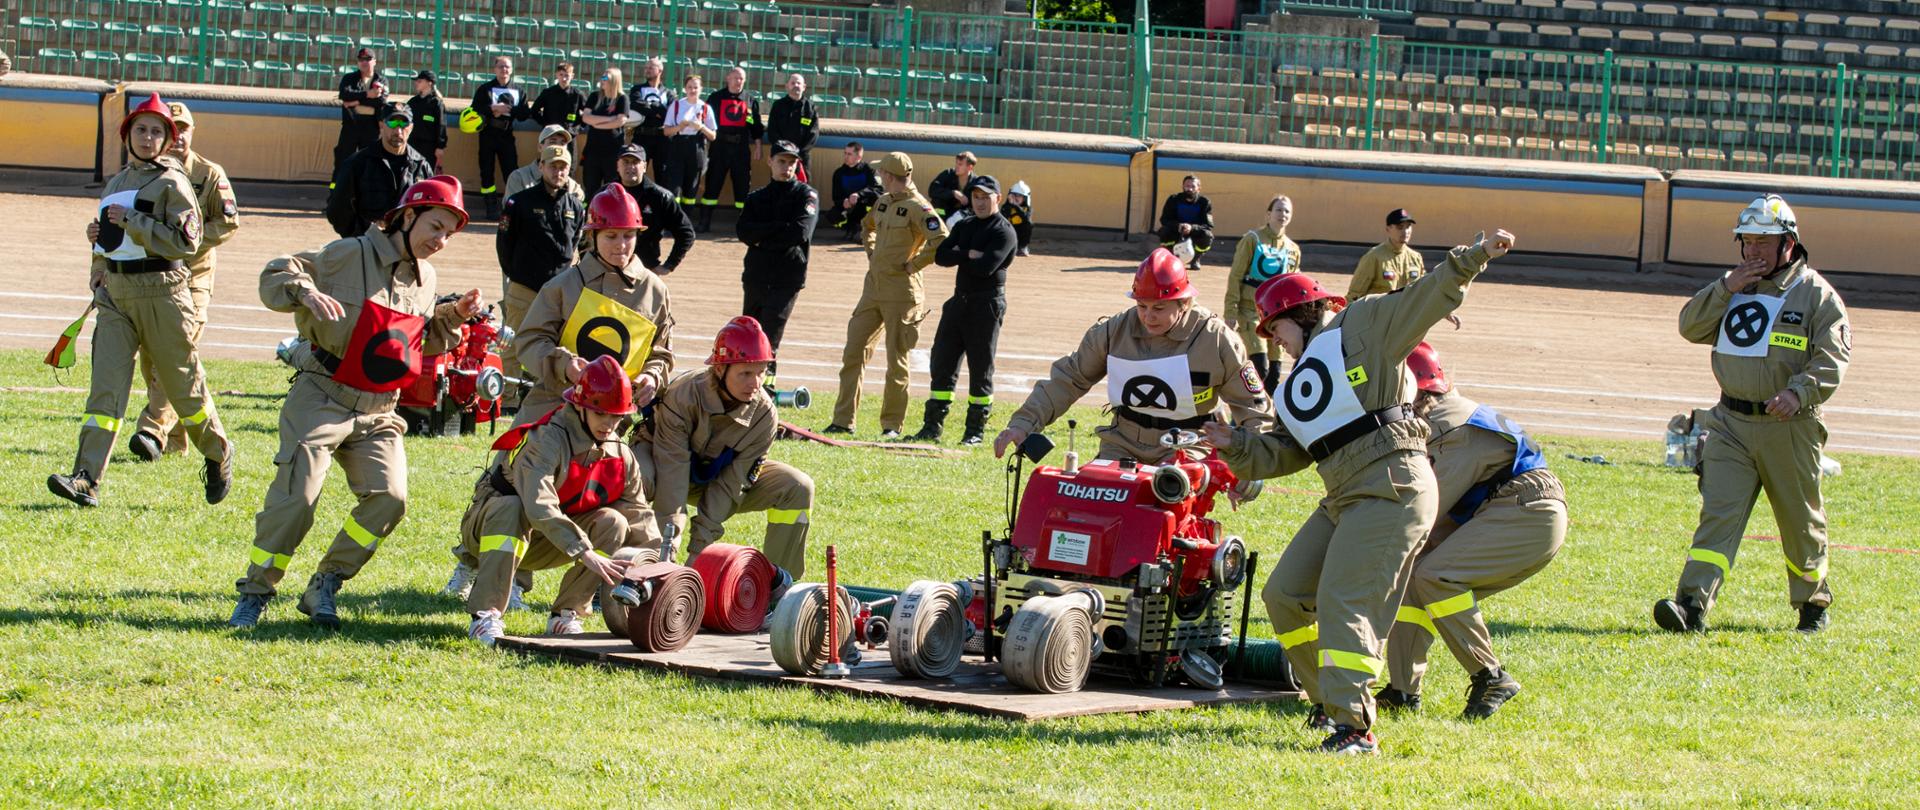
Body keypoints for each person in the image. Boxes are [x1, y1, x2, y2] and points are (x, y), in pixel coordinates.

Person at [1204, 229, 1516, 755]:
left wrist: (1474, 257)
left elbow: (1424, 297)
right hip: (1344, 492)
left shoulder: (1363, 323)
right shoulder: (1292, 383)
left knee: (1344, 599)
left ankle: (1354, 730)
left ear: (1300, 313)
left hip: (1393, 484)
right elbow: (1284, 452)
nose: (1271, 339)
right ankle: (1326, 701)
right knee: (1285, 594)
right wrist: (1232, 441)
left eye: (1274, 326)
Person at [229, 175, 485, 629]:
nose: (441, 241)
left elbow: (416, 342)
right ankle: (256, 592)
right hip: (323, 393)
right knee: (298, 498)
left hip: (380, 408)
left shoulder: (427, 279)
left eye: (449, 233)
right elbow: (276, 272)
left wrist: (453, 317)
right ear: (408, 216)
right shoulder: (349, 253)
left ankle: (325, 583)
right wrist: (305, 292)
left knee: (390, 499)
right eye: (436, 227)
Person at [1654, 194, 1850, 635]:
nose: (1754, 250)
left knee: (1800, 521)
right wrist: (1726, 287)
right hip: (1729, 424)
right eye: (1748, 240)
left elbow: (1832, 359)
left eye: (1765, 240)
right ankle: (1691, 606)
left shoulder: (1816, 293)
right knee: (1718, 515)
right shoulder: (1733, 286)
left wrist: (1800, 393)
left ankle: (1812, 605)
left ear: (1789, 243)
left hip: (1789, 426)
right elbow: (1690, 327)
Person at [48, 93, 233, 509]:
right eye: (140, 130)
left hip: (163, 292)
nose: (148, 138)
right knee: (105, 391)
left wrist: (135, 221)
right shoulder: (115, 183)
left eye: (156, 131)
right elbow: (110, 241)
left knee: (183, 389)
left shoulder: (174, 182)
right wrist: (97, 254)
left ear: (167, 139)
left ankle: (218, 453)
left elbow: (188, 241)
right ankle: (86, 479)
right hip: (117, 295)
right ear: (127, 135)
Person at [1376, 343, 1566, 720]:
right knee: (1417, 577)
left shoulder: (1449, 428)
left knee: (1436, 576)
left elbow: (1425, 510)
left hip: (1524, 509)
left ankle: (1490, 676)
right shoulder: (1446, 415)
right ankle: (1403, 690)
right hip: (1508, 507)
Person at [994, 248, 1272, 464]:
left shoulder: (1216, 339)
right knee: (1094, 508)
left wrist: (1251, 464)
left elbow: (1253, 407)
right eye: (1142, 306)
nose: (1148, 317)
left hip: (1188, 448)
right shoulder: (1114, 331)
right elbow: (1069, 379)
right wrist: (1022, 425)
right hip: (1122, 443)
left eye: (1159, 308)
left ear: (1184, 302)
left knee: (1166, 514)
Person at [461, 354, 652, 645]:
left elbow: (640, 514)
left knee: (614, 523)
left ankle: (566, 615)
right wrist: (583, 550)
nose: (610, 424)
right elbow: (539, 505)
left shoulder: (620, 454)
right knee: (510, 507)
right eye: (602, 414)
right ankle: (484, 617)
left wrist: (665, 568)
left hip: (550, 541)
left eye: (617, 416)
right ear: (579, 406)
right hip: (495, 530)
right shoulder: (546, 439)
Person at [635, 316, 814, 581]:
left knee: (797, 487)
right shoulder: (684, 395)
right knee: (632, 477)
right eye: (745, 373)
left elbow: (732, 485)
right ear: (719, 370)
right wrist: (666, 559)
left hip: (715, 478)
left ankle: (777, 589)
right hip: (662, 465)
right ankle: (619, 573)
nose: (755, 383)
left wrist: (698, 557)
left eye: (761, 372)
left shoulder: (764, 415)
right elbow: (672, 479)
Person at [129, 101, 240, 461]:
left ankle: (152, 430)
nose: (177, 136)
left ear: (192, 132)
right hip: (154, 277)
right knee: (151, 358)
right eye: (170, 128)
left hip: (193, 276)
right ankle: (177, 441)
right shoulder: (144, 172)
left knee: (177, 350)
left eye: (183, 128)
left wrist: (183, 243)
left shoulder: (209, 174)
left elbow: (227, 222)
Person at [512, 183, 675, 426]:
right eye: (611, 235)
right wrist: (565, 365)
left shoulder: (655, 291)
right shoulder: (563, 285)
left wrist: (651, 377)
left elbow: (661, 353)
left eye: (629, 235)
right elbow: (530, 341)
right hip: (554, 406)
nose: (621, 244)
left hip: (615, 417)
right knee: (514, 462)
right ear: (592, 236)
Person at [825, 152, 947, 438]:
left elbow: (940, 239)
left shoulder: (920, 207)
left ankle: (891, 426)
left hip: (903, 293)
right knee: (853, 352)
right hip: (873, 290)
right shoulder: (882, 202)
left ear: (890, 176)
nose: (879, 176)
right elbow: (868, 226)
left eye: (882, 174)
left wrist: (913, 264)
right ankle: (843, 421)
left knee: (897, 362)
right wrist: (870, 249)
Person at [909, 175, 1017, 446]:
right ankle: (932, 427)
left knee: (981, 368)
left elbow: (986, 268)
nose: (980, 202)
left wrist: (962, 253)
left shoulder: (1003, 231)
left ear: (998, 199)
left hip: (986, 304)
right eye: (976, 197)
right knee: (942, 361)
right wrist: (969, 254)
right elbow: (941, 256)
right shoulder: (966, 224)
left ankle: (974, 431)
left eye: (986, 197)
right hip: (959, 302)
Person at [736, 140, 818, 383]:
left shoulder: (806, 195)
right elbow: (743, 232)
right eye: (782, 161)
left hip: (787, 278)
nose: (787, 167)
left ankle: (766, 387)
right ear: (770, 161)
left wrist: (763, 237)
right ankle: (744, 383)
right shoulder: (756, 198)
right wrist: (779, 229)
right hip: (756, 275)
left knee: (770, 334)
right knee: (750, 331)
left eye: (792, 162)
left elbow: (800, 233)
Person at [497, 145, 586, 333]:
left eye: (563, 168)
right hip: (524, 289)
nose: (558, 172)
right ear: (541, 167)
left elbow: (577, 242)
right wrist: (515, 275)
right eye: (553, 166)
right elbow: (504, 243)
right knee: (514, 347)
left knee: (551, 347)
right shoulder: (519, 202)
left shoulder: (576, 206)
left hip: (558, 292)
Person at [1223, 194, 1302, 392]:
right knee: (1259, 366)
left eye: (1287, 211)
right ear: (1268, 214)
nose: (1282, 214)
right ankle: (1243, 412)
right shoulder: (1252, 240)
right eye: (1278, 210)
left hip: (1277, 316)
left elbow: (1293, 285)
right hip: (1250, 310)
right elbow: (1236, 276)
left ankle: (1265, 417)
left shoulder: (1293, 249)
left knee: (1274, 373)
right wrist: (1231, 312)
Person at [325, 104, 433, 238]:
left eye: (404, 124)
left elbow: (430, 212)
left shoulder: (421, 166)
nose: (398, 131)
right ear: (381, 125)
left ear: (411, 128)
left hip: (405, 247)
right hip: (367, 245)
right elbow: (336, 210)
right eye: (392, 123)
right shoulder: (358, 163)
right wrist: (362, 236)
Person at [698, 67, 764, 232]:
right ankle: (704, 222)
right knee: (713, 184)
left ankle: (743, 224)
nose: (738, 81)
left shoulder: (750, 100)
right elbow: (705, 122)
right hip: (719, 147)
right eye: (735, 78)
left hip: (741, 149)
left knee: (742, 187)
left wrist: (758, 145)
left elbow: (756, 126)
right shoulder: (716, 98)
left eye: (741, 78)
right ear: (728, 78)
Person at [614, 144, 696, 276]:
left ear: (645, 166)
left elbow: (686, 233)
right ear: (618, 166)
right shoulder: (606, 195)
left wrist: (669, 265)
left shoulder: (661, 197)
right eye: (626, 162)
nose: (630, 167)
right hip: (609, 268)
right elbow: (588, 233)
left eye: (635, 162)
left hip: (645, 270)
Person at [472, 56, 532, 220]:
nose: (504, 70)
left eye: (507, 67)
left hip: (506, 135)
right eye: (500, 67)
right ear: (494, 69)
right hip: (487, 134)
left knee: (511, 171)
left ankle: (512, 205)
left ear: (511, 70)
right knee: (486, 170)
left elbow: (525, 114)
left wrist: (509, 110)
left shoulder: (519, 90)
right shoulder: (485, 89)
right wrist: (492, 108)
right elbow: (474, 110)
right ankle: (490, 205)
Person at [659, 75, 716, 206]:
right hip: (678, 145)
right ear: (685, 89)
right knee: (674, 187)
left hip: (697, 146)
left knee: (691, 188)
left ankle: (686, 219)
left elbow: (713, 136)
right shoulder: (677, 105)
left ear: (701, 89)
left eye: (696, 87)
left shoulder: (705, 107)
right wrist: (680, 127)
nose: (692, 90)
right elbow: (666, 131)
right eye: (689, 87)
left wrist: (701, 127)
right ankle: (673, 220)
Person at [332, 47, 388, 174]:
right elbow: (344, 95)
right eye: (361, 59)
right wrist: (368, 94)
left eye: (367, 59)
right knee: (343, 160)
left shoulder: (382, 80)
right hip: (351, 125)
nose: (364, 62)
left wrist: (355, 102)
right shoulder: (349, 78)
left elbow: (381, 101)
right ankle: (336, 190)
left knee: (370, 161)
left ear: (374, 61)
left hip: (371, 127)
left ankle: (365, 191)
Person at [1348, 208, 1425, 300]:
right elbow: (1355, 294)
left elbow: (1423, 291)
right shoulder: (1374, 257)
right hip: (1380, 312)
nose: (1405, 231)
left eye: (1408, 227)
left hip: (1407, 312)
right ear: (1388, 229)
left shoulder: (1415, 258)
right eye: (1400, 227)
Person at [577, 68, 631, 193]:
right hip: (592, 150)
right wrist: (609, 119)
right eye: (602, 77)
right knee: (590, 187)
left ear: (614, 80)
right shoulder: (594, 96)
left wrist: (597, 123)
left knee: (611, 188)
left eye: (606, 78)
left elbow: (621, 121)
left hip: (612, 152)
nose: (602, 80)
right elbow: (586, 117)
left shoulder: (622, 99)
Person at [625, 58, 675, 183]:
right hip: (641, 136)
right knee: (637, 171)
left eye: (651, 68)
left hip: (662, 138)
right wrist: (658, 109)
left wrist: (650, 108)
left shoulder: (669, 93)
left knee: (663, 174)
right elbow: (636, 105)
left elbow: (670, 113)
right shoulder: (637, 89)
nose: (647, 70)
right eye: (646, 67)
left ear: (660, 71)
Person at [503, 124, 581, 202]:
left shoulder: (572, 186)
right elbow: (512, 211)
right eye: (552, 142)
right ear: (540, 147)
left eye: (562, 143)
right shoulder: (519, 178)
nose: (558, 147)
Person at [765, 73, 820, 184]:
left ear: (804, 87)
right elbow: (772, 131)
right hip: (781, 156)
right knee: (778, 189)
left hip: (802, 158)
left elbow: (813, 134)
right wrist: (783, 151)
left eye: (798, 83)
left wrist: (798, 153)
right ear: (787, 86)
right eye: (793, 83)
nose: (796, 85)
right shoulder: (778, 106)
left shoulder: (810, 108)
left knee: (802, 190)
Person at [824, 141, 881, 240]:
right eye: (845, 153)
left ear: (859, 156)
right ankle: (850, 228)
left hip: (865, 207)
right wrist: (843, 202)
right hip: (849, 208)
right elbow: (836, 196)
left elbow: (877, 189)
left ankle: (868, 231)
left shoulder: (869, 170)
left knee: (876, 200)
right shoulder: (839, 173)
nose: (846, 156)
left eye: (849, 154)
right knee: (832, 216)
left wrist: (859, 195)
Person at [1158, 175, 1215, 267]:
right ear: (1183, 187)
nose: (1190, 189)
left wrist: (1192, 228)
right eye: (1187, 186)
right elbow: (1164, 219)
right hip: (1176, 232)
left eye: (1193, 186)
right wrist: (1178, 226)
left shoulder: (1204, 202)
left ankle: (1195, 259)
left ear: (1198, 189)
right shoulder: (1173, 199)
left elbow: (1208, 225)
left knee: (1207, 235)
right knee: (1164, 231)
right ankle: (1170, 257)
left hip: (1194, 234)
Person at [405, 70, 447, 171]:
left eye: (420, 81)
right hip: (412, 144)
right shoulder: (413, 102)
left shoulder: (436, 103)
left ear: (429, 83)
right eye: (416, 81)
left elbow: (441, 126)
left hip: (429, 147)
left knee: (426, 173)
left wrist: (440, 147)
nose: (416, 83)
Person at [529, 62, 586, 134]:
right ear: (556, 75)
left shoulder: (578, 95)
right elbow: (534, 110)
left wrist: (577, 129)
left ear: (572, 76)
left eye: (567, 75)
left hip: (569, 136)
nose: (564, 78)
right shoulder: (547, 93)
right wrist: (545, 125)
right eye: (561, 75)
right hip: (550, 135)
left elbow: (588, 112)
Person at [926, 151, 976, 220]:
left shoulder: (976, 182)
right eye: (956, 163)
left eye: (960, 164)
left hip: (961, 218)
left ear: (970, 168)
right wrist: (953, 193)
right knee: (936, 205)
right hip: (943, 213)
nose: (956, 166)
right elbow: (932, 190)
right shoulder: (948, 174)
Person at [1002, 180, 1034, 257]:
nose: (1016, 197)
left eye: (1019, 195)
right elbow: (1004, 219)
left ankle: (1022, 248)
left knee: (1029, 224)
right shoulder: (1006, 207)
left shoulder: (1028, 209)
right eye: (1014, 195)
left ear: (1025, 198)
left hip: (1020, 235)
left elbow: (1026, 219)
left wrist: (1016, 206)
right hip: (1009, 233)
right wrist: (1011, 205)